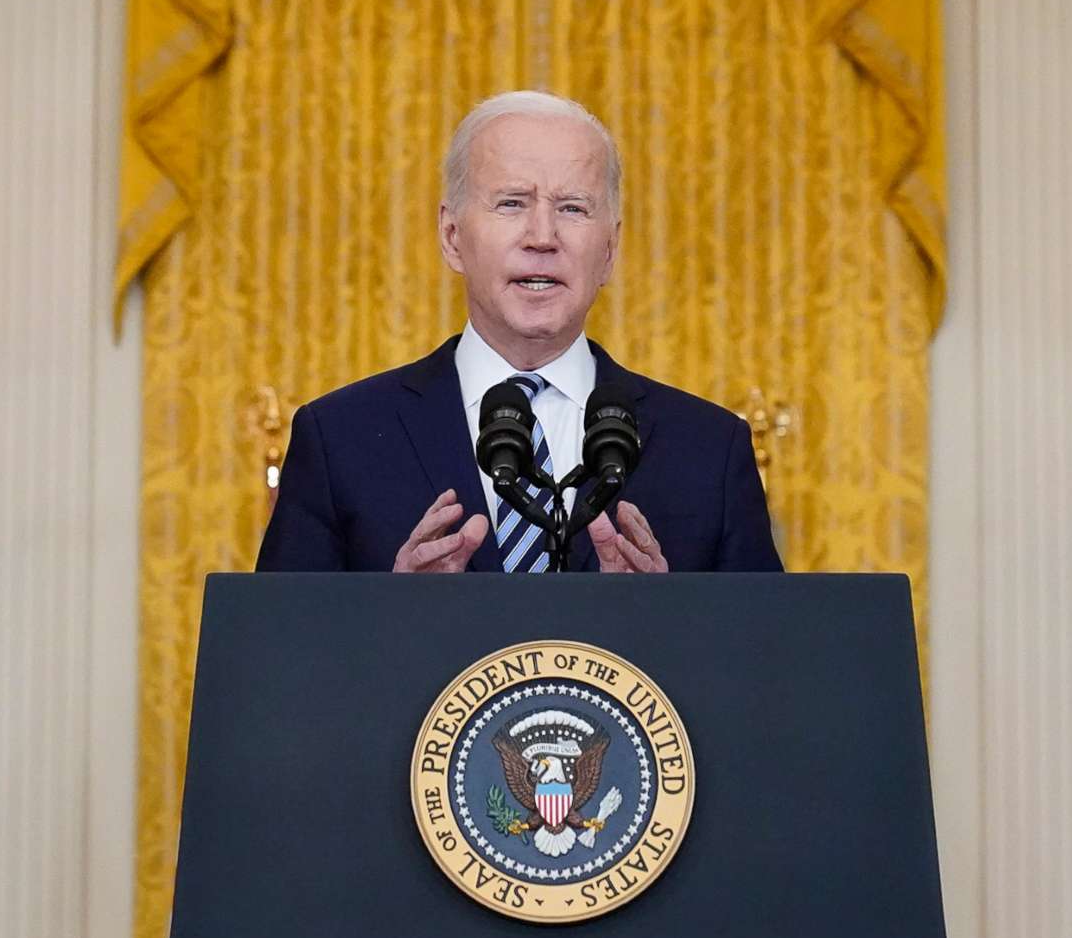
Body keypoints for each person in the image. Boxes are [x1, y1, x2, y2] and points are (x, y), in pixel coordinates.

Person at [255, 90, 782, 575]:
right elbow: (276, 663)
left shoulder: (710, 451)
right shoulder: (340, 441)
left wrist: (669, 623)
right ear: (452, 236)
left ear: (609, 250)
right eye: (512, 203)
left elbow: (767, 667)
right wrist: (393, 617)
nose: (543, 237)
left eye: (573, 208)